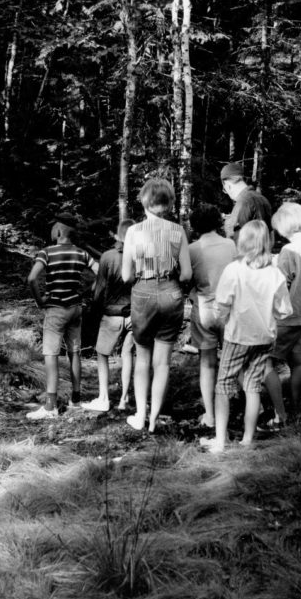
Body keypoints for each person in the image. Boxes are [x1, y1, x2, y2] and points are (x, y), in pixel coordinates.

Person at [201, 220, 292, 453]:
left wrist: (219, 318)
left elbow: (222, 302)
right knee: (252, 386)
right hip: (264, 337)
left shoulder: (235, 269)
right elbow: (284, 310)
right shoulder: (275, 273)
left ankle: (220, 441)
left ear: (243, 242)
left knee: (223, 384)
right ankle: (248, 439)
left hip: (238, 335)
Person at [122, 178, 192, 432]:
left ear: (144, 201)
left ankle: (140, 415)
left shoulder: (133, 231)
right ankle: (153, 420)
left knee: (142, 359)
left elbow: (126, 276)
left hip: (143, 291)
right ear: (169, 203)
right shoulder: (177, 231)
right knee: (162, 361)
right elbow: (186, 274)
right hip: (171, 292)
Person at [26, 219, 98, 419]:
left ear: (58, 231)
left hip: (56, 310)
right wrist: (86, 292)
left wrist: (40, 300)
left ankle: (50, 407)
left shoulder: (46, 253)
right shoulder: (81, 253)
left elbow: (32, 278)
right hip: (75, 308)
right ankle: (75, 400)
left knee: (51, 355)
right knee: (75, 352)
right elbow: (101, 273)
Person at [263, 202, 301, 429]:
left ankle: (280, 415)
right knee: (297, 362)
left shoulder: (289, 251)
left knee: (265, 362)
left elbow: (281, 284)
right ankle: (298, 411)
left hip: (288, 315)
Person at [187, 203, 237, 428]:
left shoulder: (192, 249)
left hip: (204, 309)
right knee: (234, 362)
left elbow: (186, 279)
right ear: (218, 221)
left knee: (207, 364)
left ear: (195, 224)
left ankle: (210, 414)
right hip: (230, 310)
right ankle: (244, 406)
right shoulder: (230, 245)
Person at [82, 219, 136, 413]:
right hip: (133, 314)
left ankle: (103, 397)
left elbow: (100, 287)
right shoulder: (140, 256)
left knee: (102, 354)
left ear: (116, 235)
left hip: (111, 313)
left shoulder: (107, 256)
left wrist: (95, 309)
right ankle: (124, 398)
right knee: (127, 354)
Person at [220, 163, 272, 243]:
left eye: (225, 190)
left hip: (247, 254)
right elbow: (271, 234)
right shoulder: (263, 199)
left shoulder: (242, 203)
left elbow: (234, 240)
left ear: (228, 186)